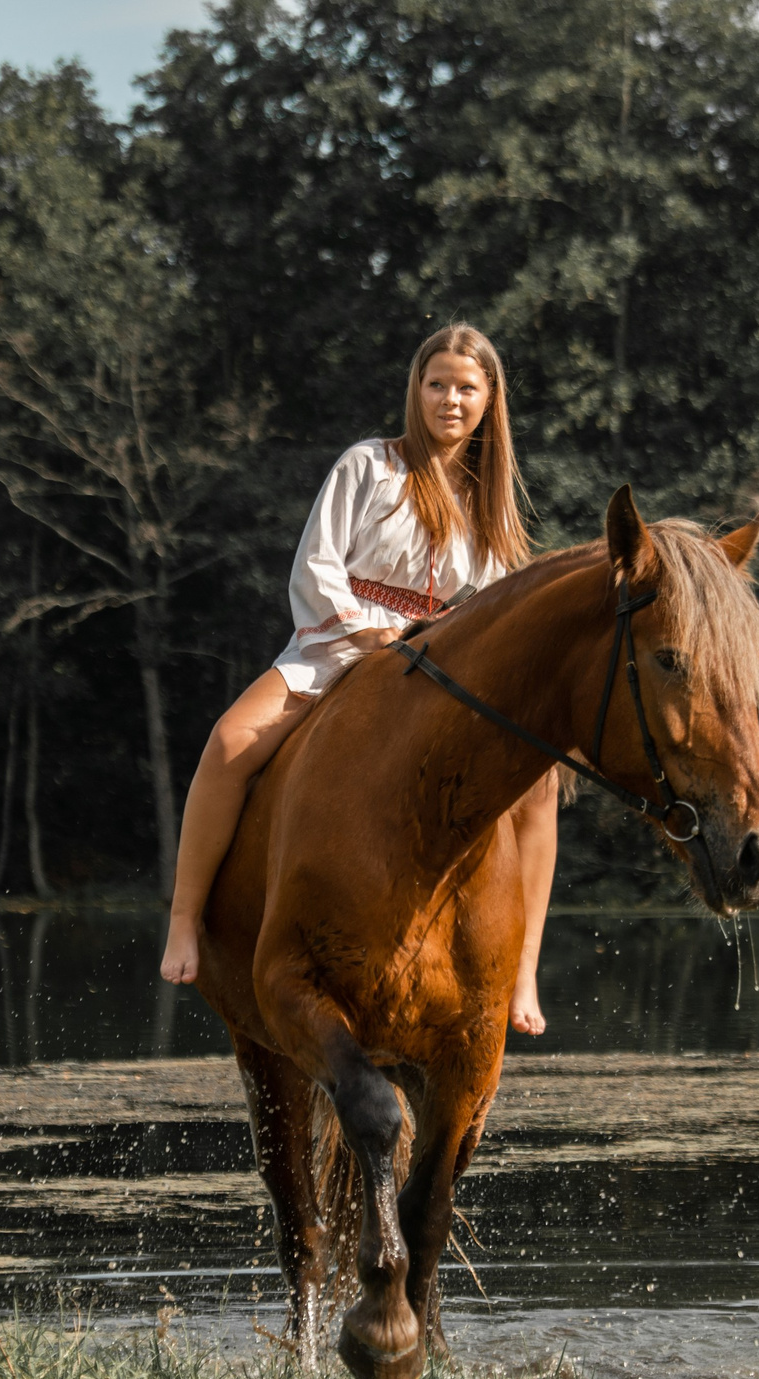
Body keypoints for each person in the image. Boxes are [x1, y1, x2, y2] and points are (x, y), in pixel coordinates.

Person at [157, 323, 561, 1033]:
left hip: (443, 670)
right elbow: (315, 564)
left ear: (489, 399)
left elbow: (498, 612)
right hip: (343, 643)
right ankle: (186, 920)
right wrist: (365, 631)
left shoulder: (492, 504)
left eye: (466, 387)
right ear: (416, 390)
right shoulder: (369, 467)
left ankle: (522, 973)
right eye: (436, 384)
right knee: (227, 744)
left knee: (540, 790)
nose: (449, 399)